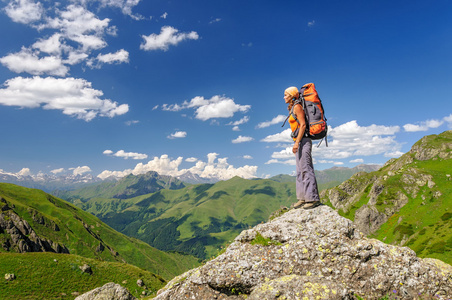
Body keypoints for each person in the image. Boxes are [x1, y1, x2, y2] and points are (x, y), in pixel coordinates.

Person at [284, 86, 321, 210]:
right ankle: (302, 198)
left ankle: (313, 198)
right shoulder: (293, 107)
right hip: (299, 142)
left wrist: (297, 142)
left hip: (303, 141)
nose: (284, 97)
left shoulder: (297, 107)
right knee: (299, 171)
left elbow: (303, 124)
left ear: (292, 96)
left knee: (306, 168)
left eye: (286, 95)